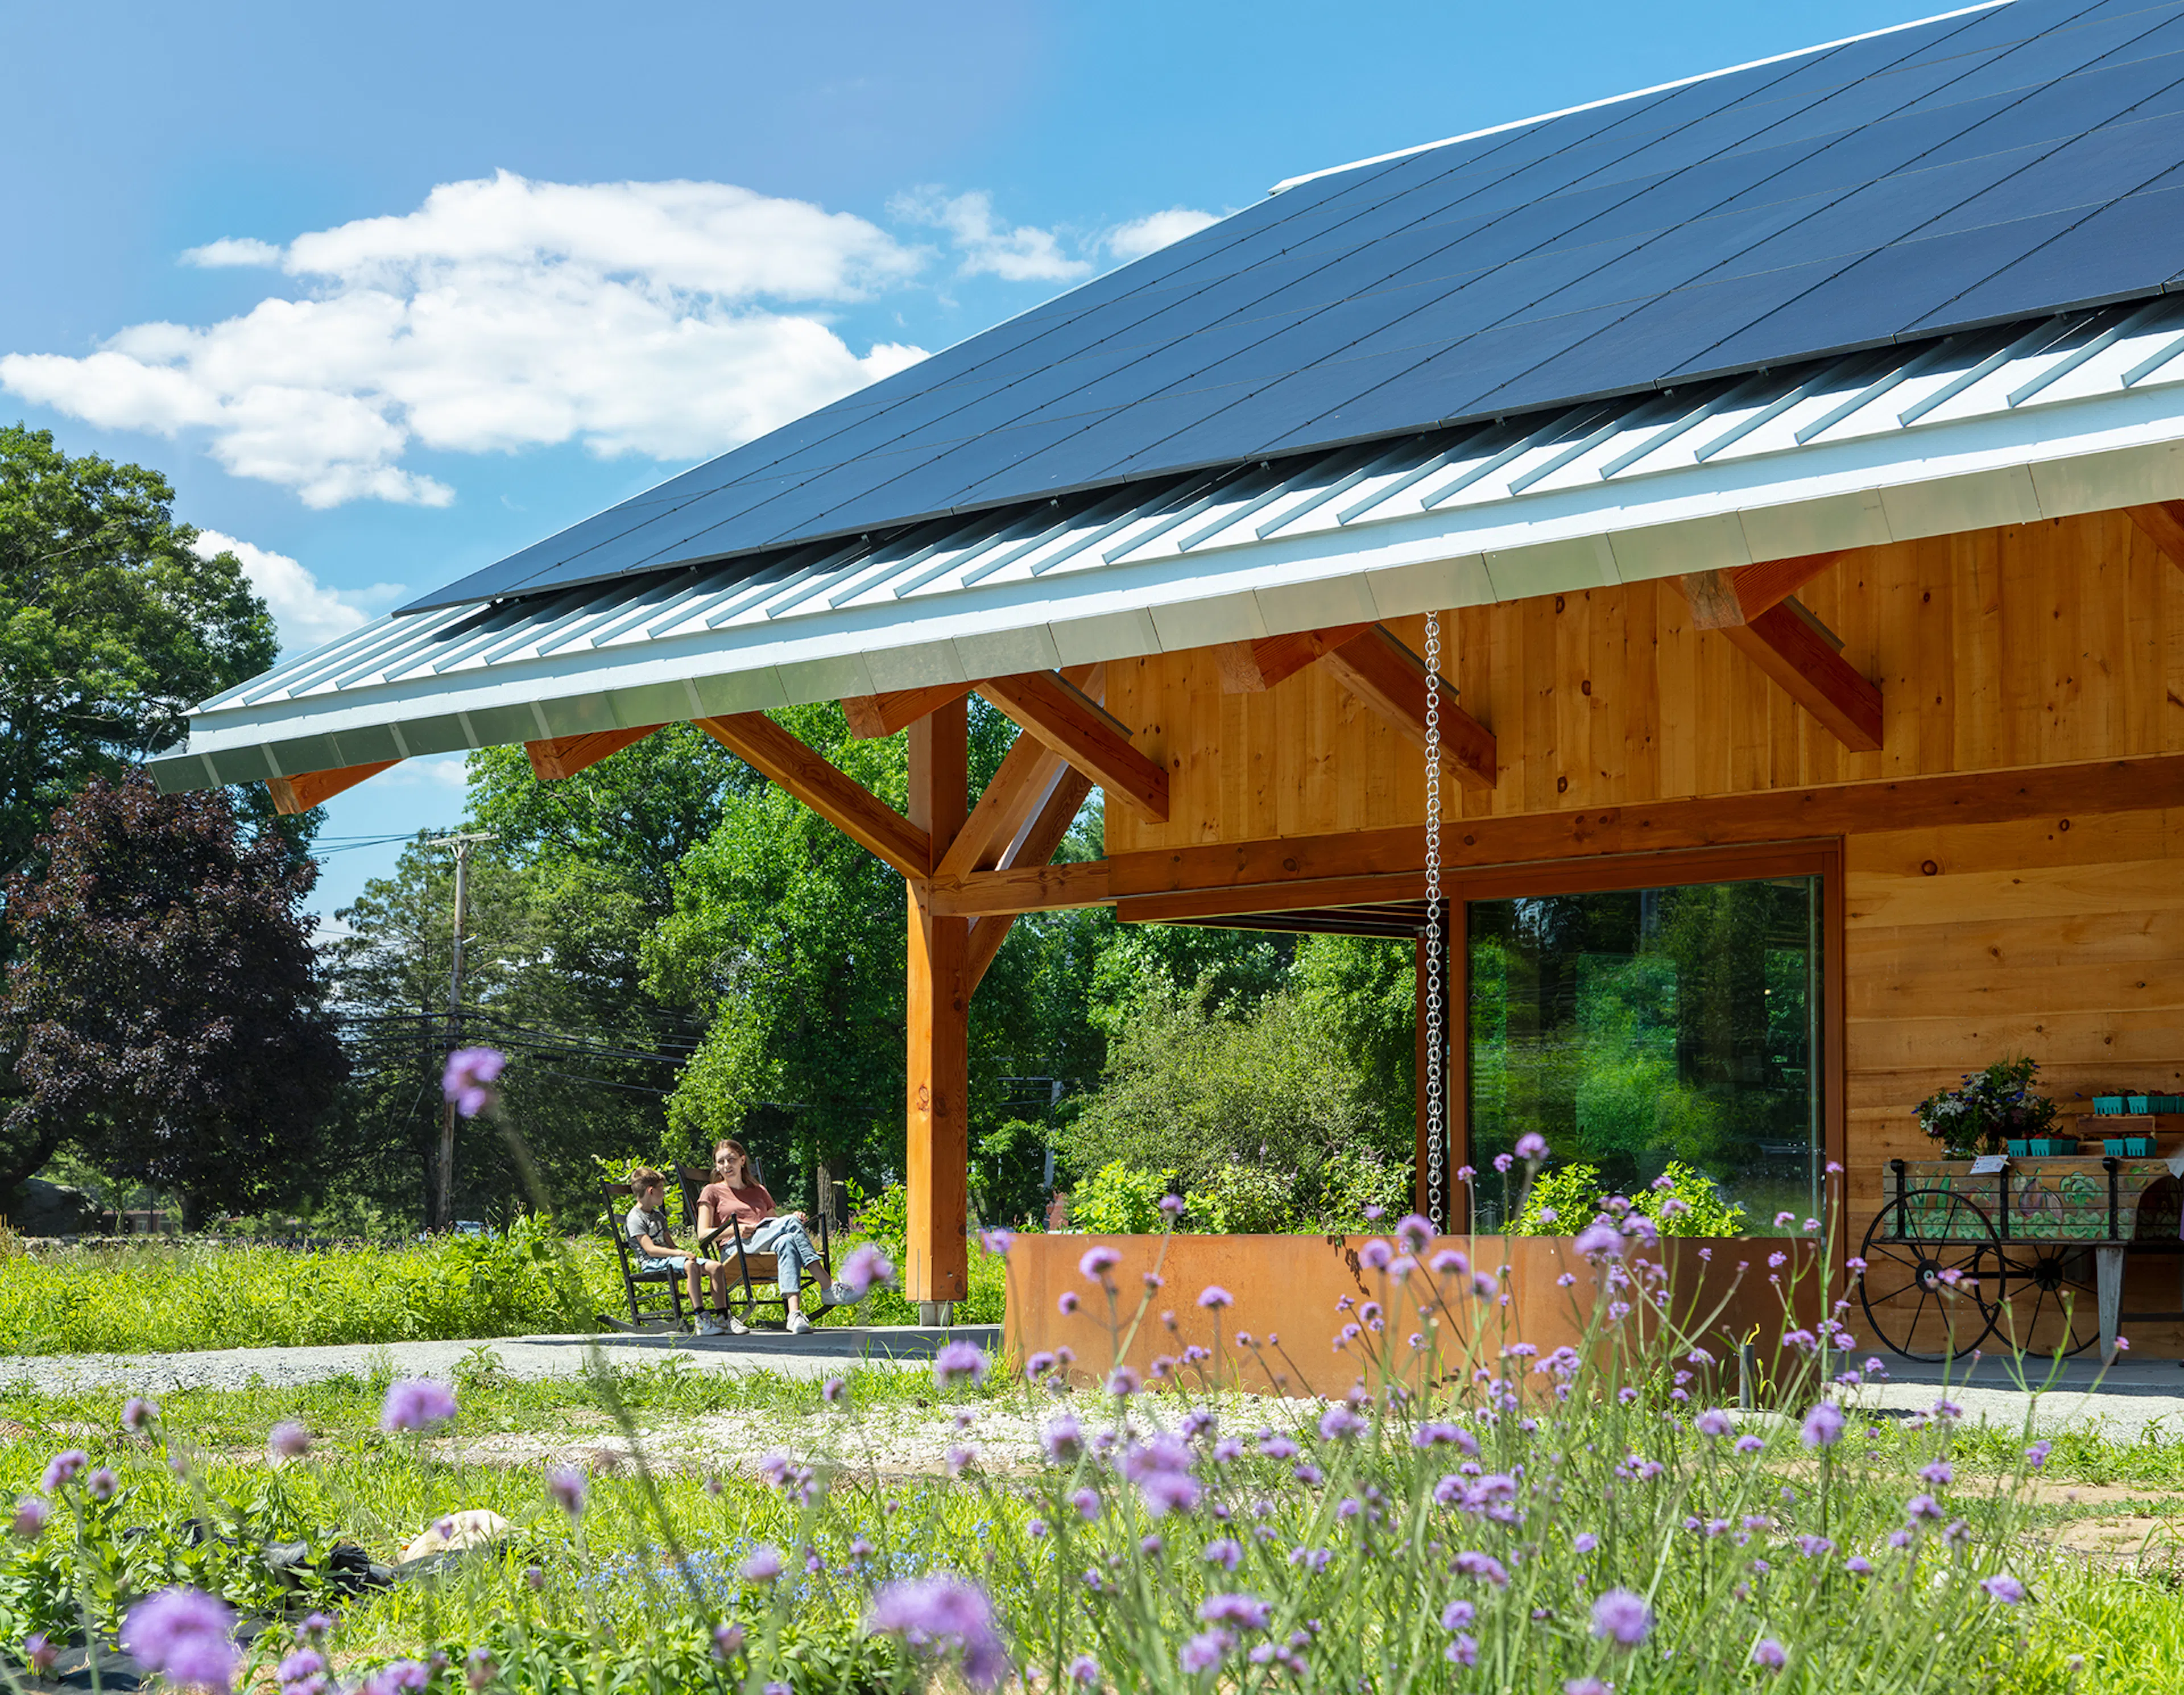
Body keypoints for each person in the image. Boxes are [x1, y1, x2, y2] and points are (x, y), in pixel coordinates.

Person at [697, 1139, 860, 1335]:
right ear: (716, 1165)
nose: (726, 1166)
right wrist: (735, 1230)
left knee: (787, 1240)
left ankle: (794, 1314)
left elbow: (774, 1225)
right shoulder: (712, 1191)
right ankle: (827, 1286)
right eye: (720, 1162)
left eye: (731, 1160)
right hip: (735, 1249)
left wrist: (795, 1220)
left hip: (763, 1245)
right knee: (790, 1223)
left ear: (742, 1160)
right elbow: (703, 1235)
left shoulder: (759, 1191)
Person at [623, 1168, 735, 1337]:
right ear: (651, 1191)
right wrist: (682, 1255)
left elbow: (670, 1245)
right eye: (661, 1189)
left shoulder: (659, 1216)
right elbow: (650, 1250)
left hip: (668, 1259)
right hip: (651, 1263)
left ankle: (723, 1317)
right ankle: (701, 1319)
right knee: (690, 1265)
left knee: (716, 1267)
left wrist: (682, 1253)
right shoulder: (635, 1218)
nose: (664, 1193)